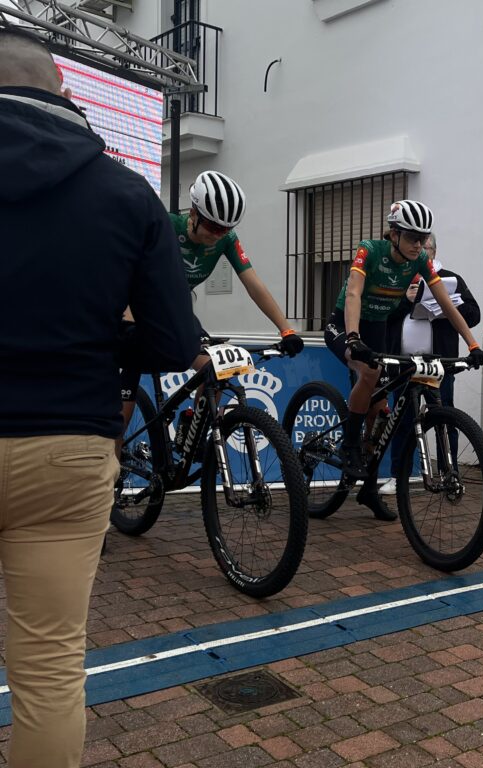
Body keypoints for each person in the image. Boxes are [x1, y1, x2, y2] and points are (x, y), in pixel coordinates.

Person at [0, 28, 198, 767]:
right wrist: (94, 343)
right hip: (68, 446)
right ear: (64, 91)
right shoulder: (126, 193)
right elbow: (175, 342)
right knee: (49, 670)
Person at [325, 200, 483, 520]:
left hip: (377, 330)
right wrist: (354, 337)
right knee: (369, 373)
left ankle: (369, 487)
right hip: (346, 323)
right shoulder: (369, 250)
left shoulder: (419, 262)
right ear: (394, 233)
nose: (419, 244)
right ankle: (348, 446)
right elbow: (355, 293)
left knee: (381, 414)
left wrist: (472, 345)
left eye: (423, 238)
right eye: (413, 237)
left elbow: (448, 305)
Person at [118, 170, 304, 444]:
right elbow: (125, 270)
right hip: (136, 313)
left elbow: (254, 285)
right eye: (214, 227)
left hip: (174, 314)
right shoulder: (166, 226)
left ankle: (193, 429)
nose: (219, 235)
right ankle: (110, 482)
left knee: (215, 369)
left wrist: (286, 330)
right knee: (115, 428)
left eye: (226, 229)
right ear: (194, 213)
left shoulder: (226, 240)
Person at [379, 235, 481, 494]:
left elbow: (474, 314)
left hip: (439, 362)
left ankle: (451, 473)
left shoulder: (450, 279)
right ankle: (396, 475)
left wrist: (445, 308)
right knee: (402, 420)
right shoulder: (397, 277)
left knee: (445, 416)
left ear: (434, 251)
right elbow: (382, 316)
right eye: (417, 247)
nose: (421, 252)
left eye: (426, 248)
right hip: (404, 363)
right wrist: (405, 301)